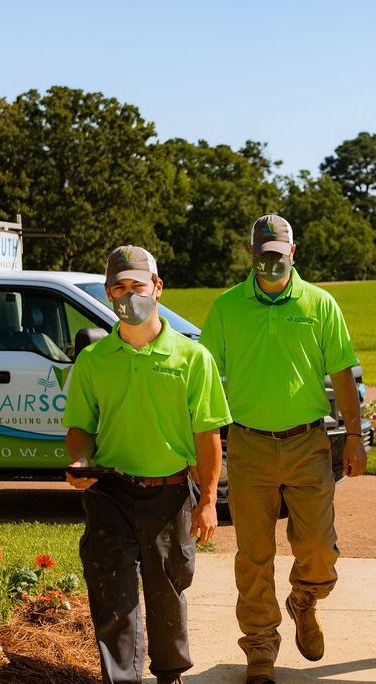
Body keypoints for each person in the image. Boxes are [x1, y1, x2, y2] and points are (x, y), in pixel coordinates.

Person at [199, 214, 367, 684]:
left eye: (279, 254)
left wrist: (355, 436)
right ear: (252, 255)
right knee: (253, 555)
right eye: (263, 254)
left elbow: (342, 374)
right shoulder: (227, 307)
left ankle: (304, 599)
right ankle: (260, 648)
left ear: (293, 253)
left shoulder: (320, 304)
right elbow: (205, 375)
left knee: (318, 547)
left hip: (308, 443)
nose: (271, 262)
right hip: (249, 445)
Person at [63, 245, 231, 684]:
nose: (128, 295)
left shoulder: (193, 358)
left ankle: (170, 673)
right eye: (119, 287)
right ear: (108, 293)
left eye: (137, 286)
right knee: (113, 596)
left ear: (157, 288)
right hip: (110, 495)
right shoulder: (93, 360)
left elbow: (208, 435)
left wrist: (208, 501)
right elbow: (80, 426)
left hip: (170, 494)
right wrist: (79, 459)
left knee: (167, 592)